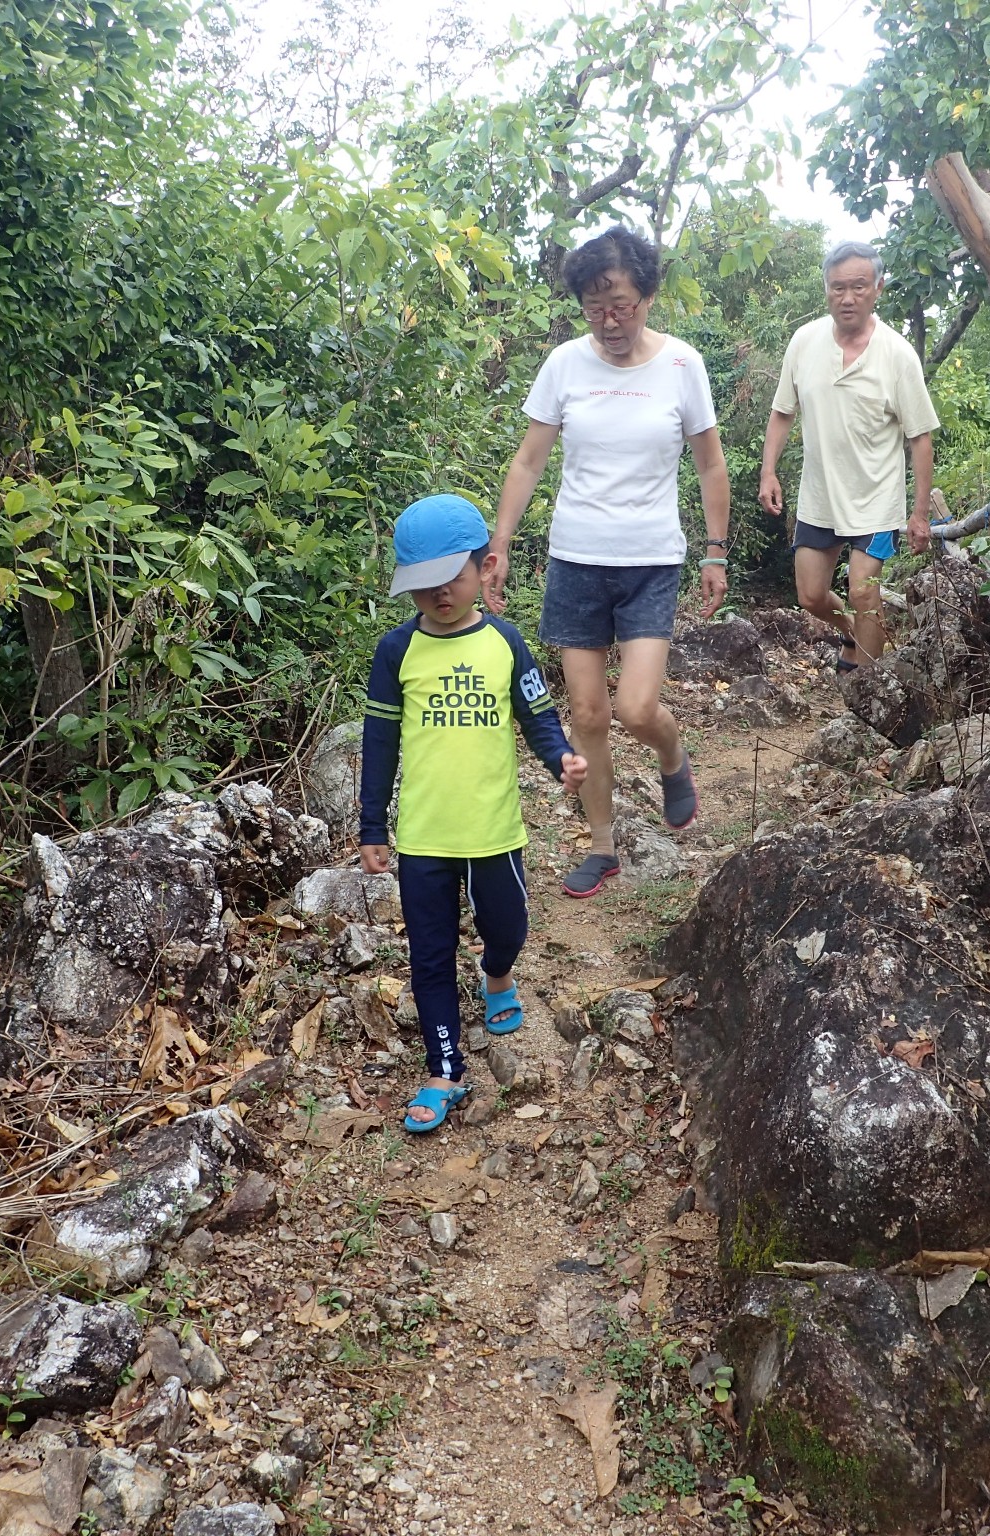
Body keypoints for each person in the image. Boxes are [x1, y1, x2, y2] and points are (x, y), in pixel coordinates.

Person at [485, 226, 730, 899]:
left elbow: (710, 463)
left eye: (621, 303)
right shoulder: (565, 364)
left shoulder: (682, 365)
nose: (610, 320)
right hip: (575, 559)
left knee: (635, 706)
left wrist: (716, 550)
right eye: (595, 306)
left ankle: (672, 757)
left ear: (648, 294)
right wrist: (499, 543)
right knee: (588, 714)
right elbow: (529, 459)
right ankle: (603, 845)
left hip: (651, 558)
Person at [359, 493, 587, 1133]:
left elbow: (539, 718)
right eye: (422, 587)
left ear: (485, 567)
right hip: (426, 837)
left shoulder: (505, 643)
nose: (438, 596)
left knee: (507, 928)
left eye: (451, 580)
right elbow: (380, 745)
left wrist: (562, 759)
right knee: (428, 956)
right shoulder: (394, 652)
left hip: (495, 832)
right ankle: (445, 1069)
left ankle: (497, 974)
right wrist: (372, 825)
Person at [758, 240, 940, 668]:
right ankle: (855, 636)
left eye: (859, 286)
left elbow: (920, 438)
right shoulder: (805, 342)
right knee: (811, 595)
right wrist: (768, 472)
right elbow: (783, 412)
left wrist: (919, 515)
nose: (848, 297)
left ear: (878, 287)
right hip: (820, 495)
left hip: (876, 499)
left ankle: (867, 688)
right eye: (838, 287)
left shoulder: (897, 355)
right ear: (826, 289)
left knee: (863, 591)